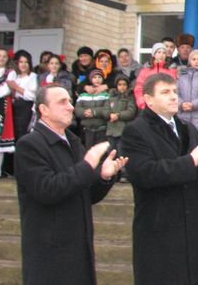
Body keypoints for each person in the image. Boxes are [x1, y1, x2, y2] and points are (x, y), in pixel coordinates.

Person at [121, 72, 198, 285]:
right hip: (159, 226)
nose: (173, 97)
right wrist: (194, 158)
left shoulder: (186, 128)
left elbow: (192, 173)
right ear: (148, 100)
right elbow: (145, 174)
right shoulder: (136, 130)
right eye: (165, 92)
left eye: (175, 92)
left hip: (190, 225)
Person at [15, 83, 127, 285]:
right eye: (62, 102)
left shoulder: (73, 142)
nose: (70, 107)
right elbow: (47, 190)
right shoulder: (29, 145)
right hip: (49, 255)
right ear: (44, 110)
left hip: (78, 248)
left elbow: (87, 194)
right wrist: (88, 164)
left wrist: (103, 177)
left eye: (69, 101)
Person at [105, 74, 136, 172]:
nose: (122, 87)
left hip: (123, 130)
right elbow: (105, 110)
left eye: (124, 84)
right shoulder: (111, 97)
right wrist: (109, 115)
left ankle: (124, 173)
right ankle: (113, 172)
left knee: (122, 153)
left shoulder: (130, 97)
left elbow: (131, 112)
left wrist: (118, 115)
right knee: (112, 152)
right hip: (111, 130)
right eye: (119, 84)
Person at [6, 49, 37, 143]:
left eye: (26, 62)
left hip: (25, 107)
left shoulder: (33, 76)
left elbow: (32, 96)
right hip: (13, 106)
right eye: (21, 62)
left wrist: (16, 87)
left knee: (22, 133)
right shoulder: (14, 75)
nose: (23, 64)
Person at [74, 69, 111, 149]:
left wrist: (95, 112)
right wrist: (84, 112)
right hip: (87, 129)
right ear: (91, 79)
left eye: (99, 77)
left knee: (102, 152)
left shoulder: (106, 94)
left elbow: (107, 109)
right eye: (94, 77)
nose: (97, 79)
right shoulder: (83, 95)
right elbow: (77, 109)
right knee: (88, 151)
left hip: (102, 128)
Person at [133, 42, 177, 109]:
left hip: (165, 106)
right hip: (148, 106)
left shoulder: (171, 71)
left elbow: (174, 89)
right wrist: (142, 103)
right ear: (154, 54)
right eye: (159, 52)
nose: (161, 55)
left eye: (164, 53)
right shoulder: (145, 71)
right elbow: (139, 88)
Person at [0, 47, 15, 177]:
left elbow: (6, 90)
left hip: (2, 107)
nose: (1, 58)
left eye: (4, 56)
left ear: (8, 59)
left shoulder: (10, 73)